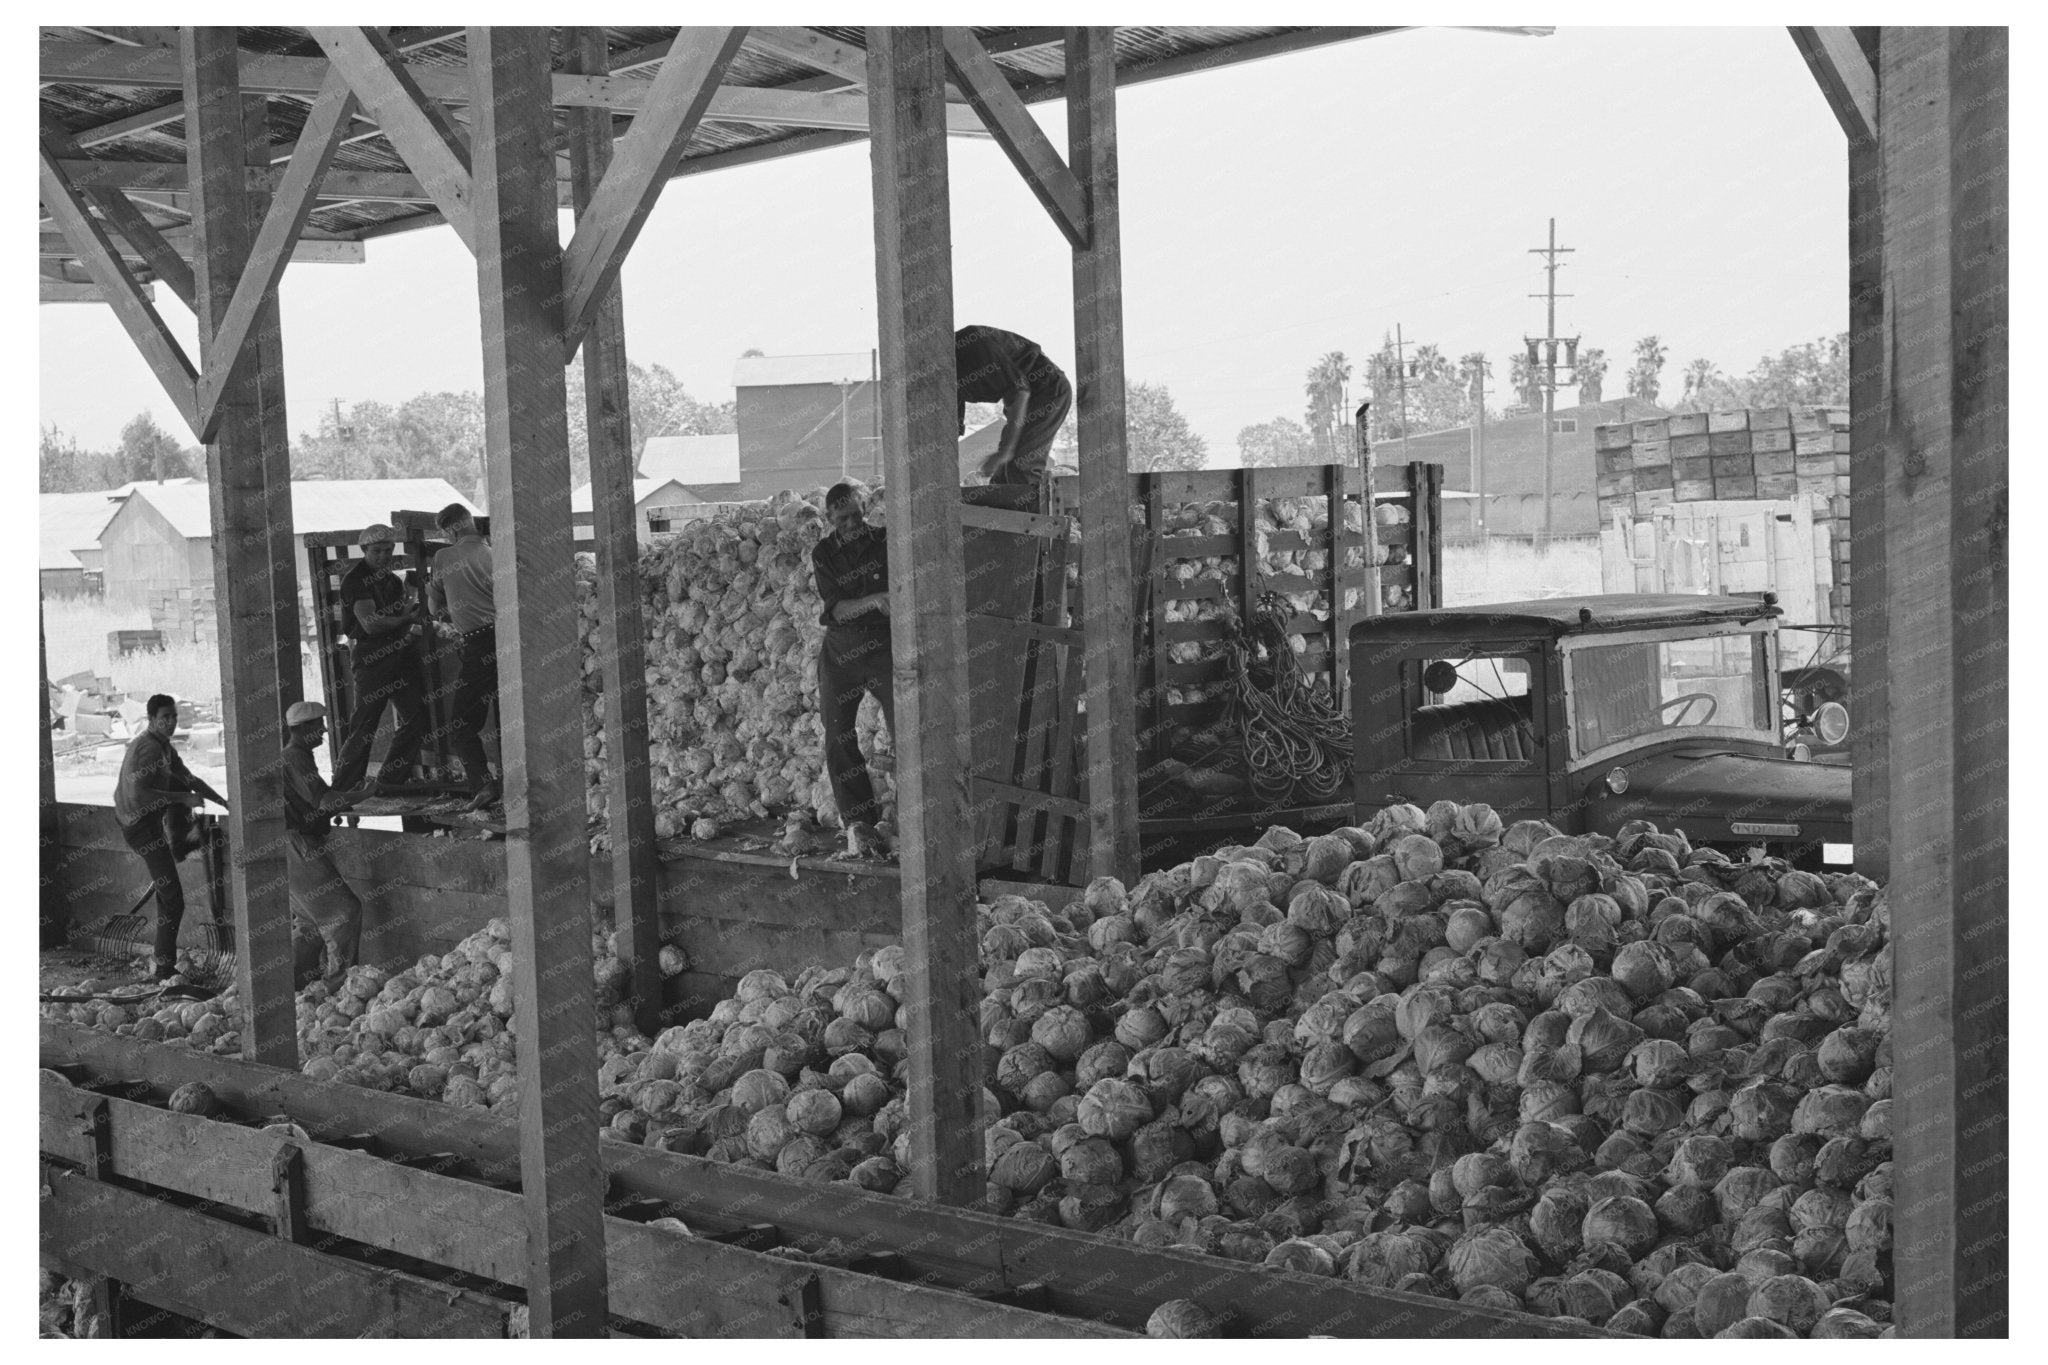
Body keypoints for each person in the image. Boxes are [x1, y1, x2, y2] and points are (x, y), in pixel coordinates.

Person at [113, 694, 229, 981]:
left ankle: (179, 845)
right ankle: (164, 967)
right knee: (174, 899)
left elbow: (189, 779)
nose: (171, 722)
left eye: (174, 717)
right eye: (164, 717)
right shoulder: (150, 749)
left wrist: (225, 803)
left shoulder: (164, 747)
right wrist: (183, 799)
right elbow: (139, 794)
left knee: (167, 894)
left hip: (148, 822)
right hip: (140, 827)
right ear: (151, 719)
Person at [811, 483, 896, 855]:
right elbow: (838, 609)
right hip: (842, 648)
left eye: (857, 516)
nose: (852, 524)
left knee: (907, 728)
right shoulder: (824, 553)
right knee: (838, 734)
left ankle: (911, 812)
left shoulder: (886, 542)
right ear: (830, 517)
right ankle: (859, 821)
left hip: (884, 645)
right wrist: (875, 600)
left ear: (865, 510)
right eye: (843, 518)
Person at [331, 524, 433, 794]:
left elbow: (397, 616)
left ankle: (388, 782)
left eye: (388, 550)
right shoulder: (355, 580)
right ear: (364, 550)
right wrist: (408, 618)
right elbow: (371, 624)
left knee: (417, 718)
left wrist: (412, 611)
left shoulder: (393, 581)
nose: (383, 556)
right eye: (377, 551)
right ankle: (342, 789)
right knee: (364, 724)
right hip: (372, 656)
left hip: (398, 652)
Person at [426, 503, 499, 811]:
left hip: (478, 644)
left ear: (451, 530)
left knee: (461, 724)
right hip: (508, 639)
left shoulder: (444, 557)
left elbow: (434, 608)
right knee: (508, 715)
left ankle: (483, 785)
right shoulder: (494, 553)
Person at [956, 323, 1073, 490]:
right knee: (1003, 474)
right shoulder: (945, 377)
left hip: (1047, 389)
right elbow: (953, 429)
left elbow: (1020, 392)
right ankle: (1007, 504)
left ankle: (1029, 504)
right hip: (1022, 399)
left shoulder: (970, 342)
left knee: (1021, 465)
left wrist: (1006, 450)